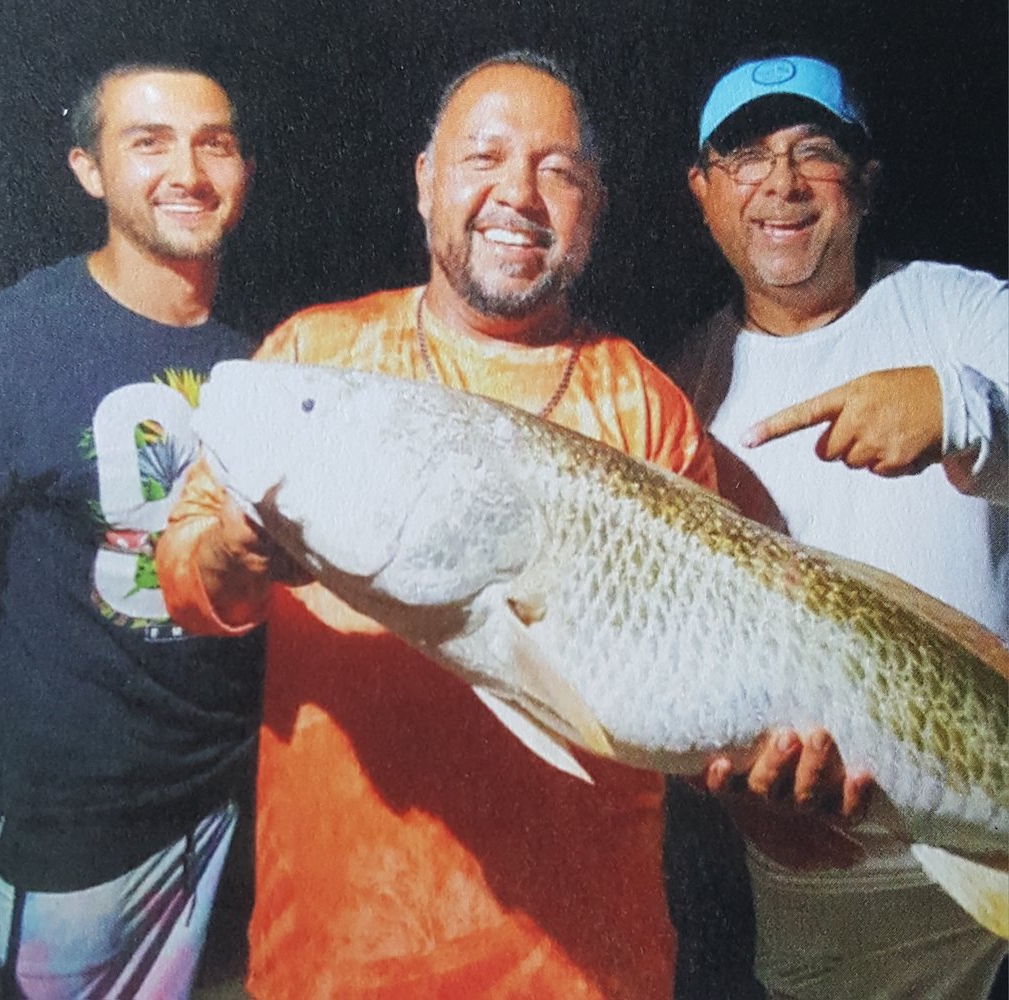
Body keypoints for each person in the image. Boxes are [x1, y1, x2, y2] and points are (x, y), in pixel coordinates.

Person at [158, 50, 863, 1000]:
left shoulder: (644, 408)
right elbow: (187, 578)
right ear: (424, 182)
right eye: (481, 158)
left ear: (595, 204)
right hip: (331, 959)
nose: (517, 195)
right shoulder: (315, 358)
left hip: (581, 971)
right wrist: (231, 554)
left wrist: (773, 784)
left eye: (558, 171)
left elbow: (708, 712)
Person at [679, 53, 1008, 999]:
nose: (780, 183)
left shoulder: (959, 311)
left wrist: (960, 409)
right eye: (744, 155)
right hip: (823, 901)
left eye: (813, 150)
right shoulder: (676, 388)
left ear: (865, 183)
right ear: (702, 192)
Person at [0, 61, 262, 997]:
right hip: (73, 853)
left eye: (212, 141)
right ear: (88, 169)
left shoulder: (258, 365)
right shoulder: (11, 342)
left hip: (233, 828)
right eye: (149, 142)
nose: (188, 169)